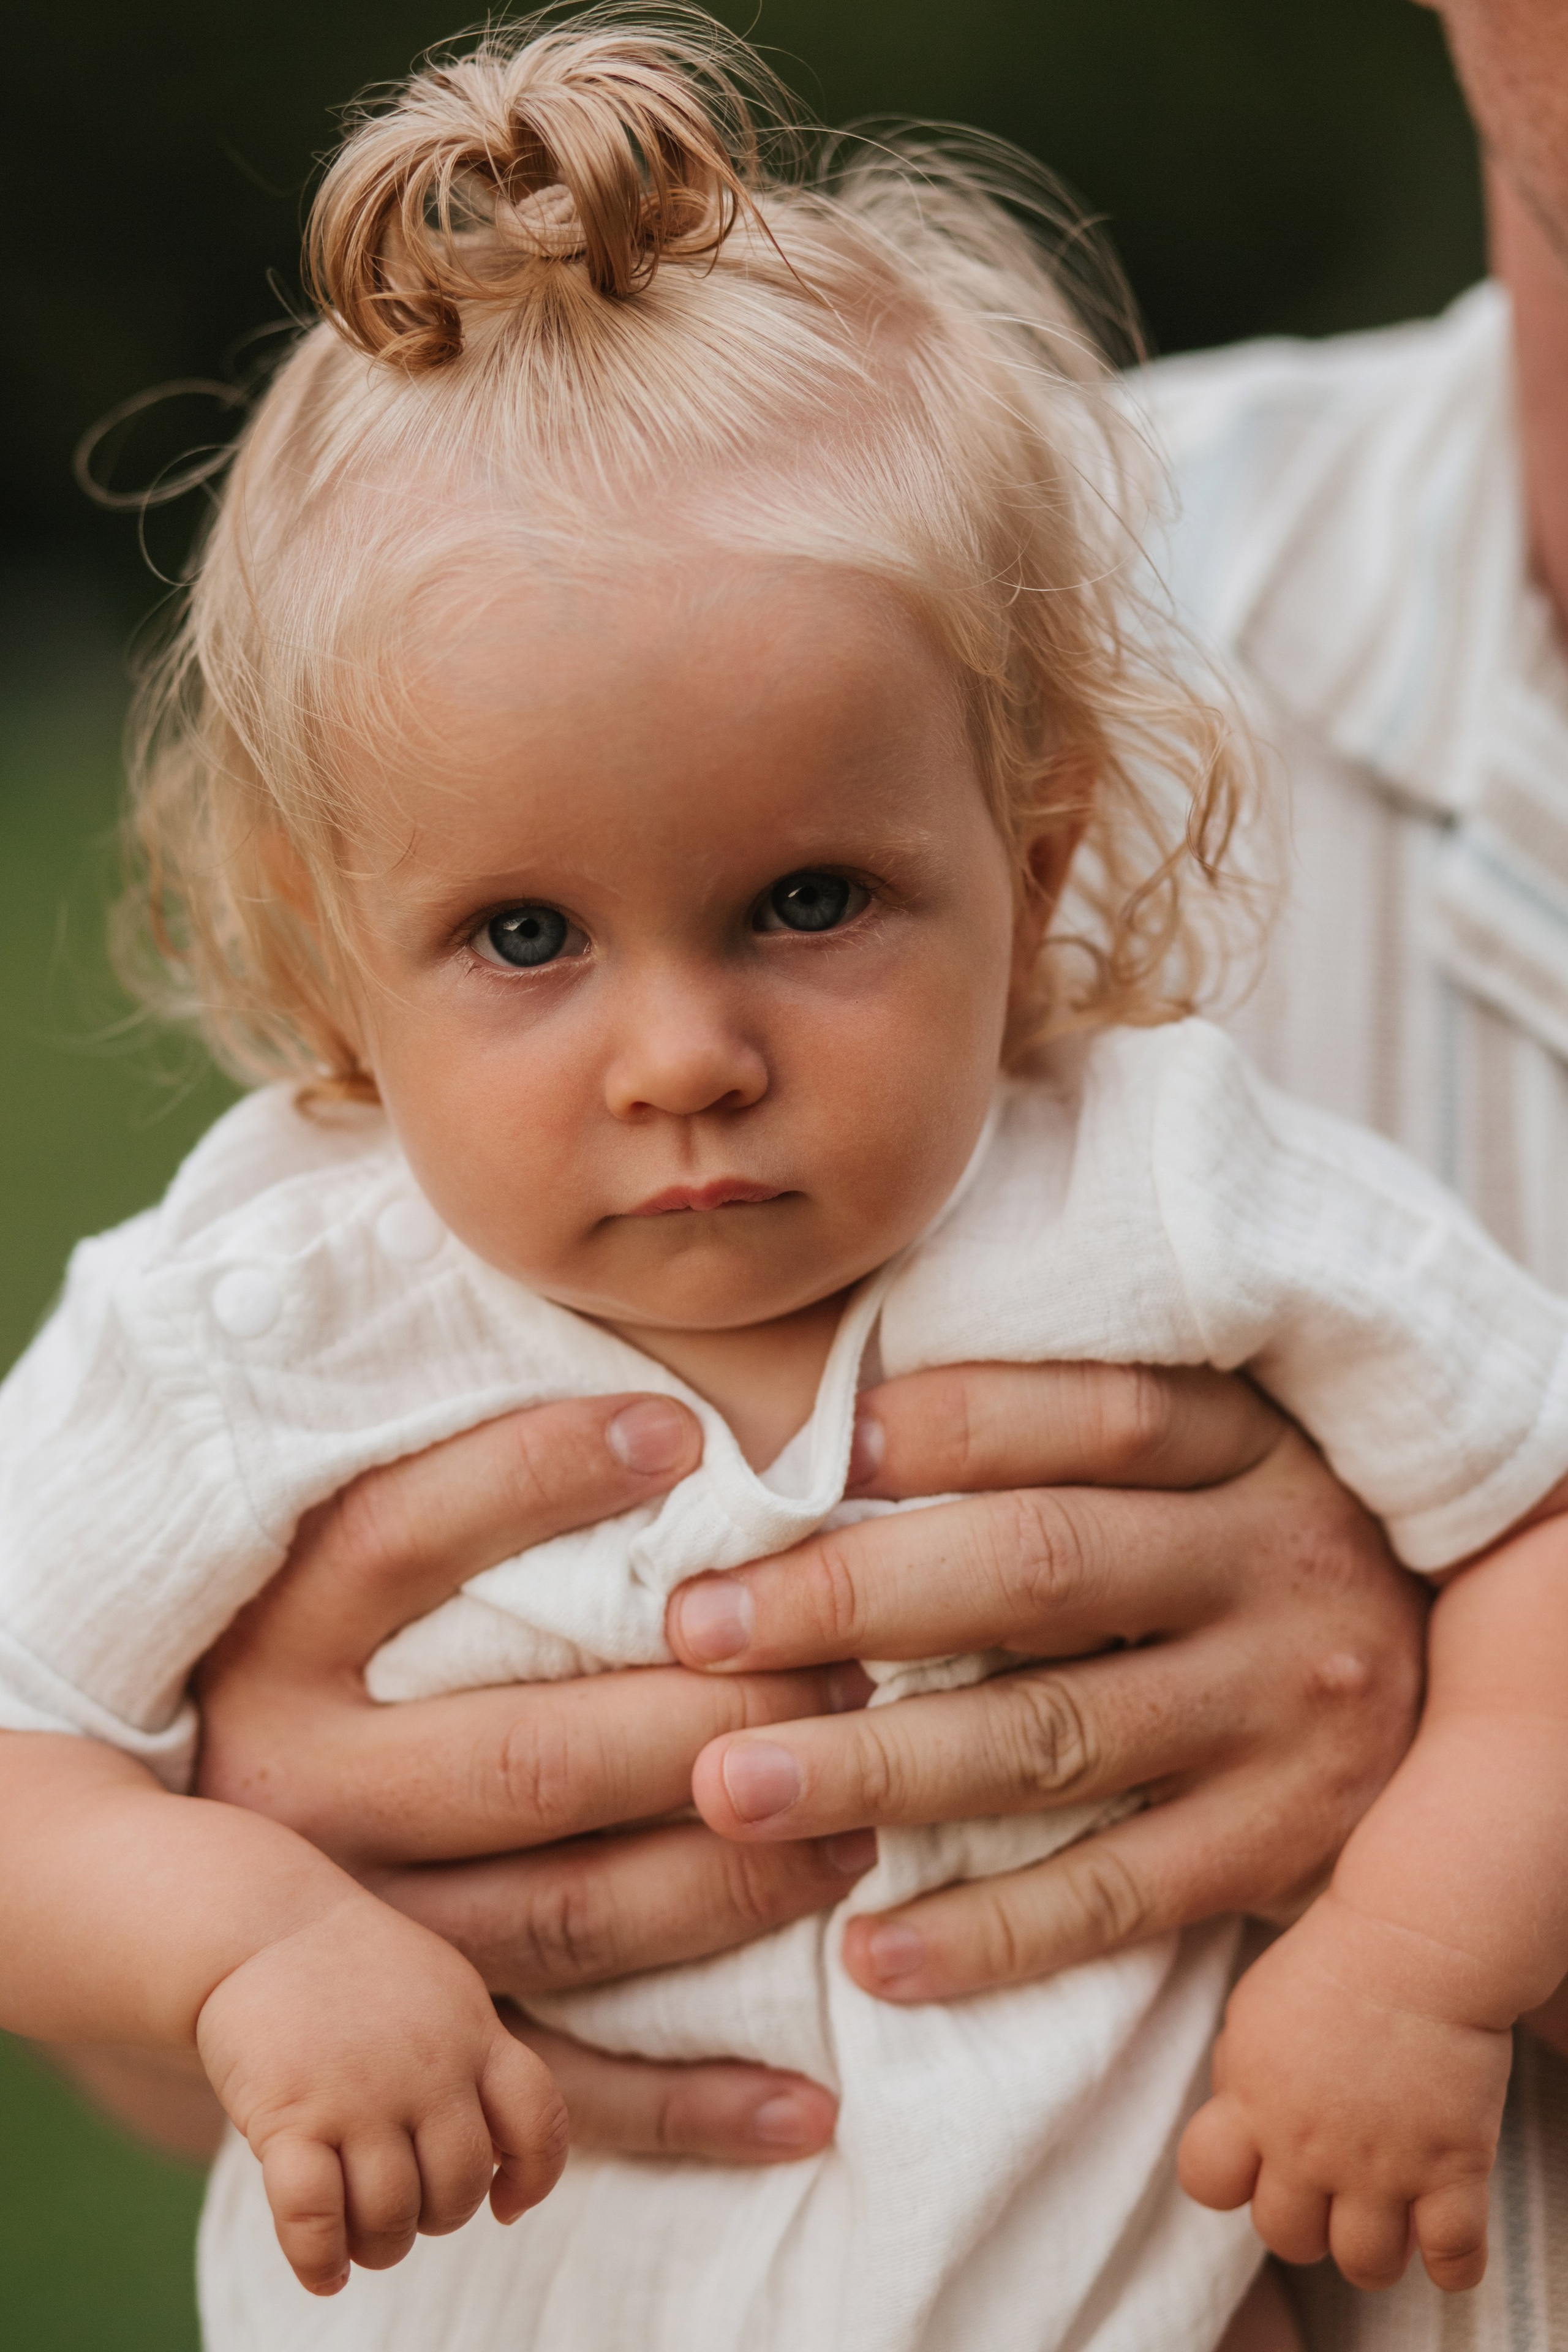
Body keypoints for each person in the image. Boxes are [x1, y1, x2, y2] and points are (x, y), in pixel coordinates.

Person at [7, 13, 1568, 2350]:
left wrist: (1418, 1951)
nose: (684, 1060)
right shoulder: (263, 1315)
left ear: (1037, 869)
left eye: (809, 902)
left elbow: (1542, 1525)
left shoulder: (1160, 1188)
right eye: (523, 937)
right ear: (333, 953)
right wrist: (244, 1939)